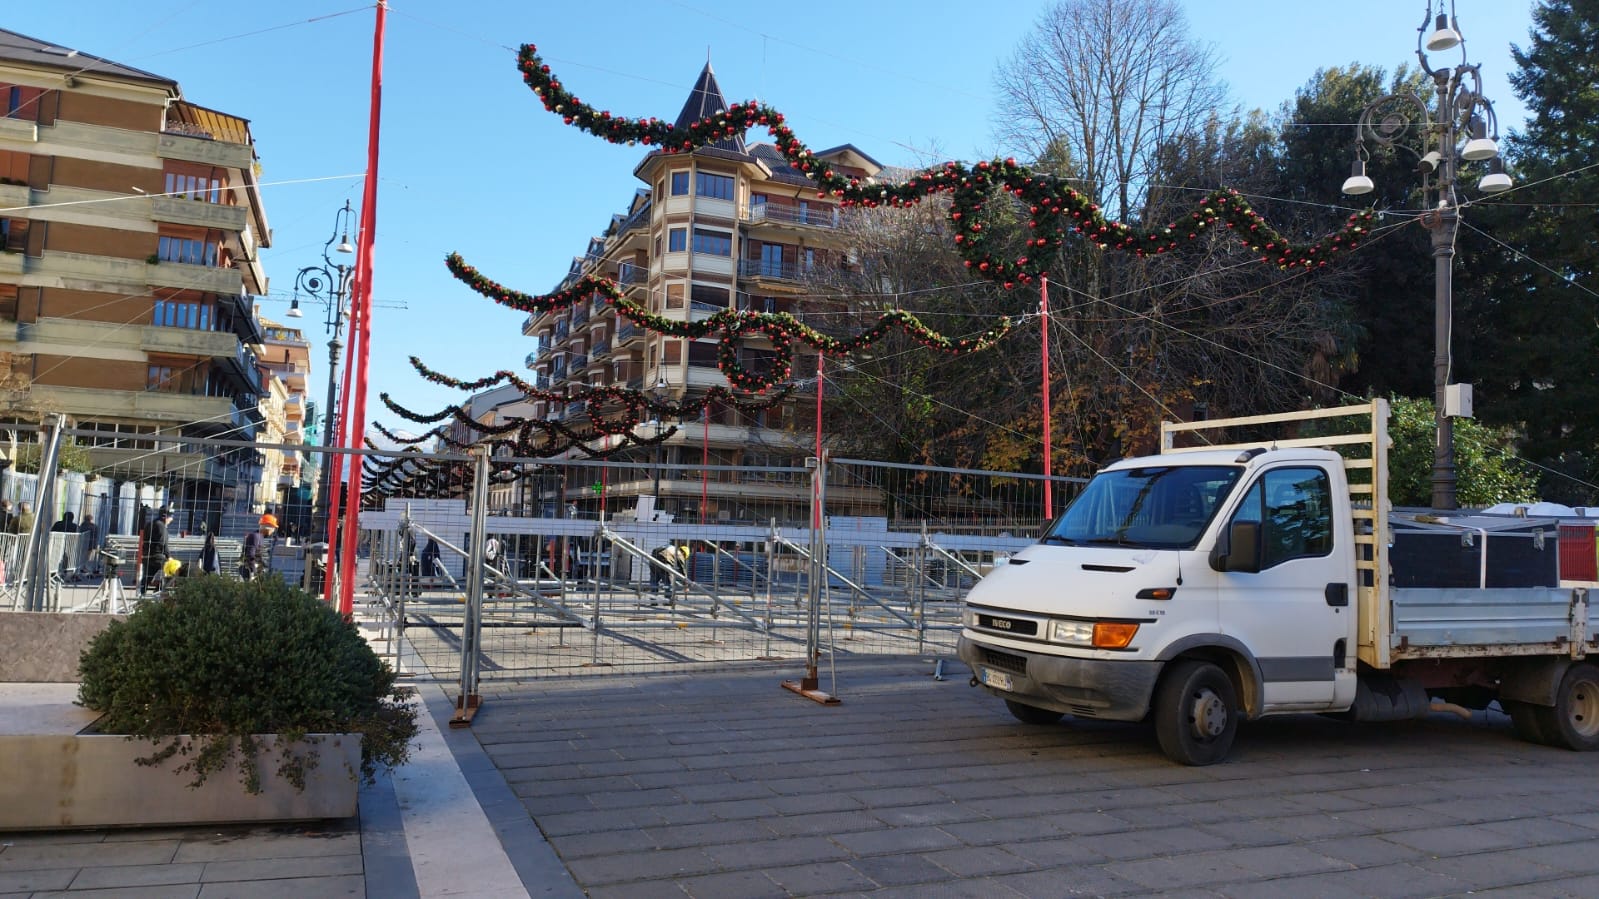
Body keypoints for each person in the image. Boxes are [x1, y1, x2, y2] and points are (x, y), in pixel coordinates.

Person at [140, 506, 172, 595]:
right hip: (157, 557)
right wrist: (169, 557)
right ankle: (158, 591)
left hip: (146, 556)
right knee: (173, 571)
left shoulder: (149, 524)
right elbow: (163, 544)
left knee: (147, 578)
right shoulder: (161, 526)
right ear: (165, 517)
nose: (171, 520)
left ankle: (141, 595)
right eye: (170, 517)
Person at [239, 513, 277, 580]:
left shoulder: (259, 537)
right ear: (267, 527)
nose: (273, 531)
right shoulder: (255, 536)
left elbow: (256, 555)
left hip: (252, 570)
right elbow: (250, 556)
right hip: (249, 571)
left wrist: (263, 564)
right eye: (273, 528)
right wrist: (254, 572)